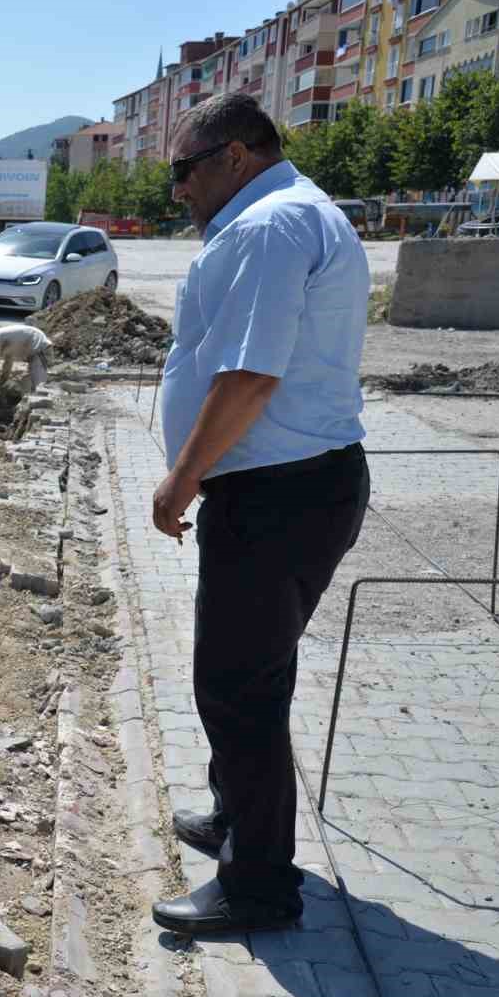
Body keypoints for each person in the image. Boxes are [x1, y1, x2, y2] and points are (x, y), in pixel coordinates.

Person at [149, 93, 370, 936]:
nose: (177, 191)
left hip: (277, 496)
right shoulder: (297, 212)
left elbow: (248, 377)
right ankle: (235, 814)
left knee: (241, 686)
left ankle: (259, 886)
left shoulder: (269, 226)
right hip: (299, 487)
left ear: (235, 156)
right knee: (243, 674)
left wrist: (181, 478)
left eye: (183, 171)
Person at [0, 322, 53, 395]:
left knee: (38, 384)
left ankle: (40, 403)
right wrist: (1, 384)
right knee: (33, 381)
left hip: (40, 348)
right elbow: (8, 363)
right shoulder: (7, 338)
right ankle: (34, 400)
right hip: (38, 348)